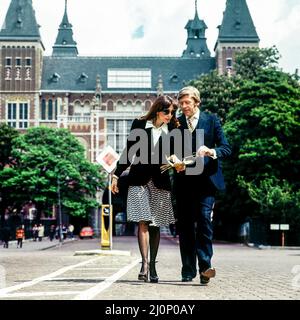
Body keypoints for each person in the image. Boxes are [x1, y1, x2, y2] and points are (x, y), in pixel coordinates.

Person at [111, 95, 178, 283]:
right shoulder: (139, 125)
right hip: (139, 180)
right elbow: (129, 151)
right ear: (157, 110)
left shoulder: (173, 128)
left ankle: (154, 267)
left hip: (160, 181)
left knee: (156, 224)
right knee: (143, 221)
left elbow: (177, 153)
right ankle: (144, 264)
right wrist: (117, 174)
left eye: (172, 112)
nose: (169, 115)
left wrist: (176, 161)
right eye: (167, 112)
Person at [174, 86, 231, 285]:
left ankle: (205, 268)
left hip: (207, 182)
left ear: (196, 102)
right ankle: (188, 270)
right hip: (184, 182)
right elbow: (170, 150)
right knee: (186, 227)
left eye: (187, 103)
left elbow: (226, 148)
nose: (183, 107)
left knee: (204, 222)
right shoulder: (177, 123)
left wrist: (210, 151)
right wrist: (175, 162)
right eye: (181, 103)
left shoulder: (211, 120)